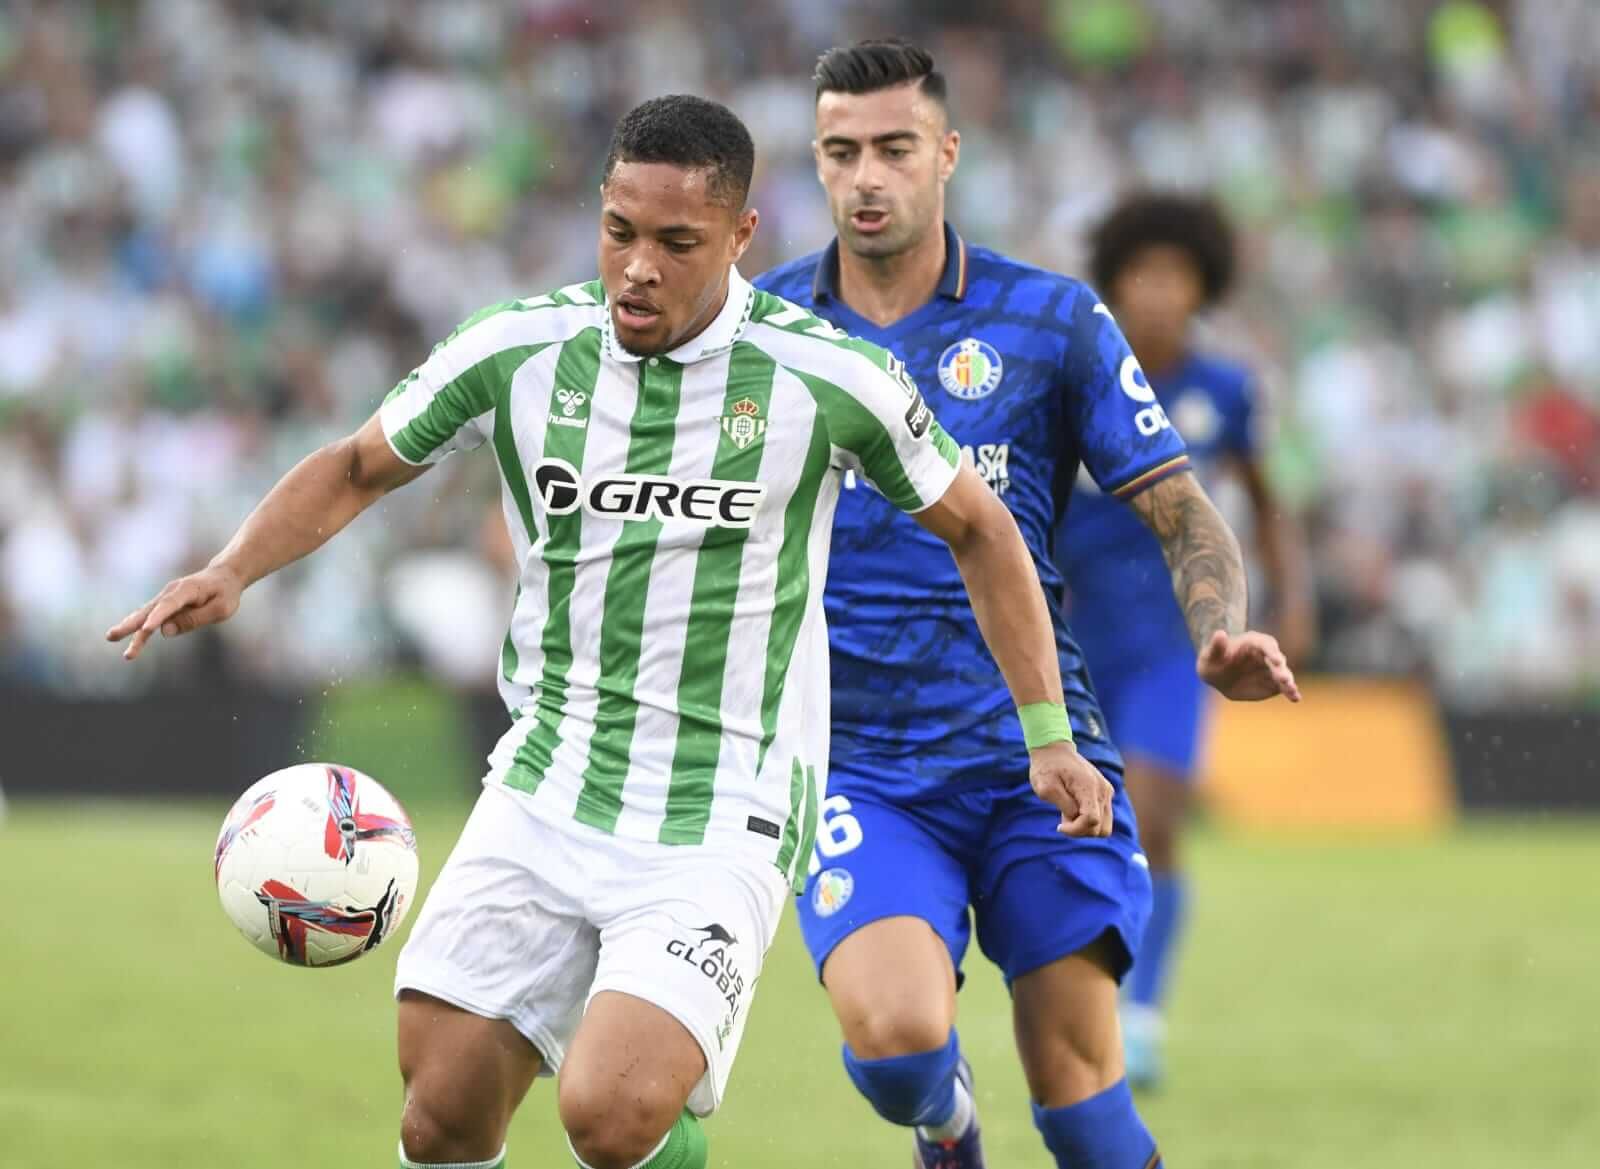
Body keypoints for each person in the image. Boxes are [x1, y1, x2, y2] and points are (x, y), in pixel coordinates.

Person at [107, 94, 1119, 1169]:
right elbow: (360, 463)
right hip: (547, 776)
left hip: (724, 800)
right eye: (619, 231)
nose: (637, 265)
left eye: (676, 243)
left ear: (739, 238)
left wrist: (1045, 731)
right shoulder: (518, 347)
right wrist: (232, 568)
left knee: (612, 1110)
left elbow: (981, 527)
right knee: (439, 1115)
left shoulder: (825, 376)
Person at [754, 41, 1299, 1169]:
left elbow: (1183, 506)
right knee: (901, 1046)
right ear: (815, 163)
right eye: (841, 152)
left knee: (1083, 1109)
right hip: (857, 757)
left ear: (945, 154)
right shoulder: (758, 331)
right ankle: (946, 1126)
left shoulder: (1052, 321)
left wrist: (1220, 625)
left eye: (894, 149)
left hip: (1037, 752)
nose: (867, 177)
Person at [1057, 192, 1318, 1088]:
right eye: (1141, 274)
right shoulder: (1077, 376)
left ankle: (1145, 1009)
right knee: (1086, 827)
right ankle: (1085, 996)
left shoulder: (1228, 391)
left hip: (1175, 635)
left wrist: (1291, 596)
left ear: (1202, 285)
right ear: (1116, 282)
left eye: (1176, 275)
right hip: (1072, 630)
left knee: (1158, 814)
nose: (1158, 292)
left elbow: (1268, 500)